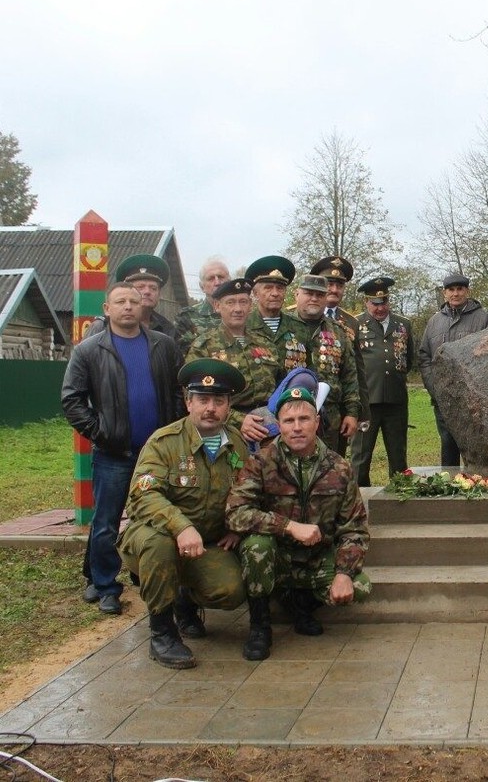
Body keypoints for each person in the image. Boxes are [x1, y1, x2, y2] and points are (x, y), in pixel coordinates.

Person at [116, 358, 249, 669]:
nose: (210, 408)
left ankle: (183, 598)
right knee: (159, 544)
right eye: (202, 400)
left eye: (219, 400)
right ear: (188, 402)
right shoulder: (164, 442)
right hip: (153, 536)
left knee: (231, 591)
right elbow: (142, 495)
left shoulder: (238, 445)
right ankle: (162, 633)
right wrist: (180, 526)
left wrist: (238, 526)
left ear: (228, 405)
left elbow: (247, 492)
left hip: (204, 544)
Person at [62, 282, 182, 614]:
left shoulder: (164, 346)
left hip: (158, 455)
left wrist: (172, 431)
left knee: (158, 517)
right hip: (114, 454)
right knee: (106, 522)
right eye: (120, 301)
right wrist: (101, 433)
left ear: (142, 306)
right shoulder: (89, 350)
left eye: (133, 300)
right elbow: (72, 401)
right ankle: (105, 585)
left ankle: (154, 577)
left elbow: (178, 392)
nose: (128, 306)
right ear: (107, 309)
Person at [227, 385, 371, 659]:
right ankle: (260, 625)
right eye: (288, 421)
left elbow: (354, 528)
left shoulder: (339, 468)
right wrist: (287, 526)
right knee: (257, 545)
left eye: (304, 419)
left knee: (360, 586)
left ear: (317, 422)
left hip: (315, 558)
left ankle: (300, 605)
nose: (296, 428)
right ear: (279, 425)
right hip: (276, 558)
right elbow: (236, 512)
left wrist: (343, 573)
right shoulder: (260, 462)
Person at [185, 277, 281, 444]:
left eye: (243, 302)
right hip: (227, 429)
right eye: (230, 302)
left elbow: (280, 383)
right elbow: (191, 394)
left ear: (250, 305)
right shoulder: (203, 347)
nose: (238, 309)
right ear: (217, 306)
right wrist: (238, 420)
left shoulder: (265, 343)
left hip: (270, 429)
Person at [419, 272, 488, 466]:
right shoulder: (434, 322)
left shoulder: (482, 319)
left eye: (460, 289)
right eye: (451, 290)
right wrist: (434, 387)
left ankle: (477, 488)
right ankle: (450, 487)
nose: (456, 293)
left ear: (467, 291)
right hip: (443, 397)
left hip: (473, 399)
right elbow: (424, 356)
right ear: (445, 293)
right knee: (447, 444)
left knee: (475, 446)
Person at [281, 274, 361, 446]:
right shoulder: (282, 326)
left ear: (326, 298)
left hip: (330, 419)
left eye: (319, 295)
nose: (314, 299)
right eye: (309, 293)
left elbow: (349, 376)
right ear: (297, 294)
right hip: (290, 413)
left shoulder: (338, 331)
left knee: (330, 468)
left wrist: (352, 413)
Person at [351, 276, 415, 484]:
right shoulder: (355, 324)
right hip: (366, 402)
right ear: (366, 302)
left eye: (384, 302)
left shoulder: (403, 324)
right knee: (361, 456)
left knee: (398, 456)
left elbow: (409, 359)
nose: (380, 308)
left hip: (396, 400)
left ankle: (399, 500)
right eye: (375, 303)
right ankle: (359, 500)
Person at [310, 256, 368, 454]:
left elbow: (356, 371)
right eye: (329, 283)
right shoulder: (295, 315)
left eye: (339, 285)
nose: (334, 290)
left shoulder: (351, 322)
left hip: (338, 413)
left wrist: (361, 413)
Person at [85, 254, 177, 340]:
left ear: (159, 293)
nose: (147, 292)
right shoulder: (101, 326)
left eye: (153, 288)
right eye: (140, 287)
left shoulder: (167, 329)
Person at [175, 257, 230, 354]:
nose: (217, 282)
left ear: (229, 282)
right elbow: (181, 356)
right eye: (211, 278)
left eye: (221, 277)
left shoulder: (244, 314)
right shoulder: (187, 317)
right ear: (202, 287)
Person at [245, 255, 296, 342]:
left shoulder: (299, 327)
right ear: (255, 293)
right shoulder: (242, 326)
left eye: (280, 288)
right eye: (268, 288)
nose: (275, 293)